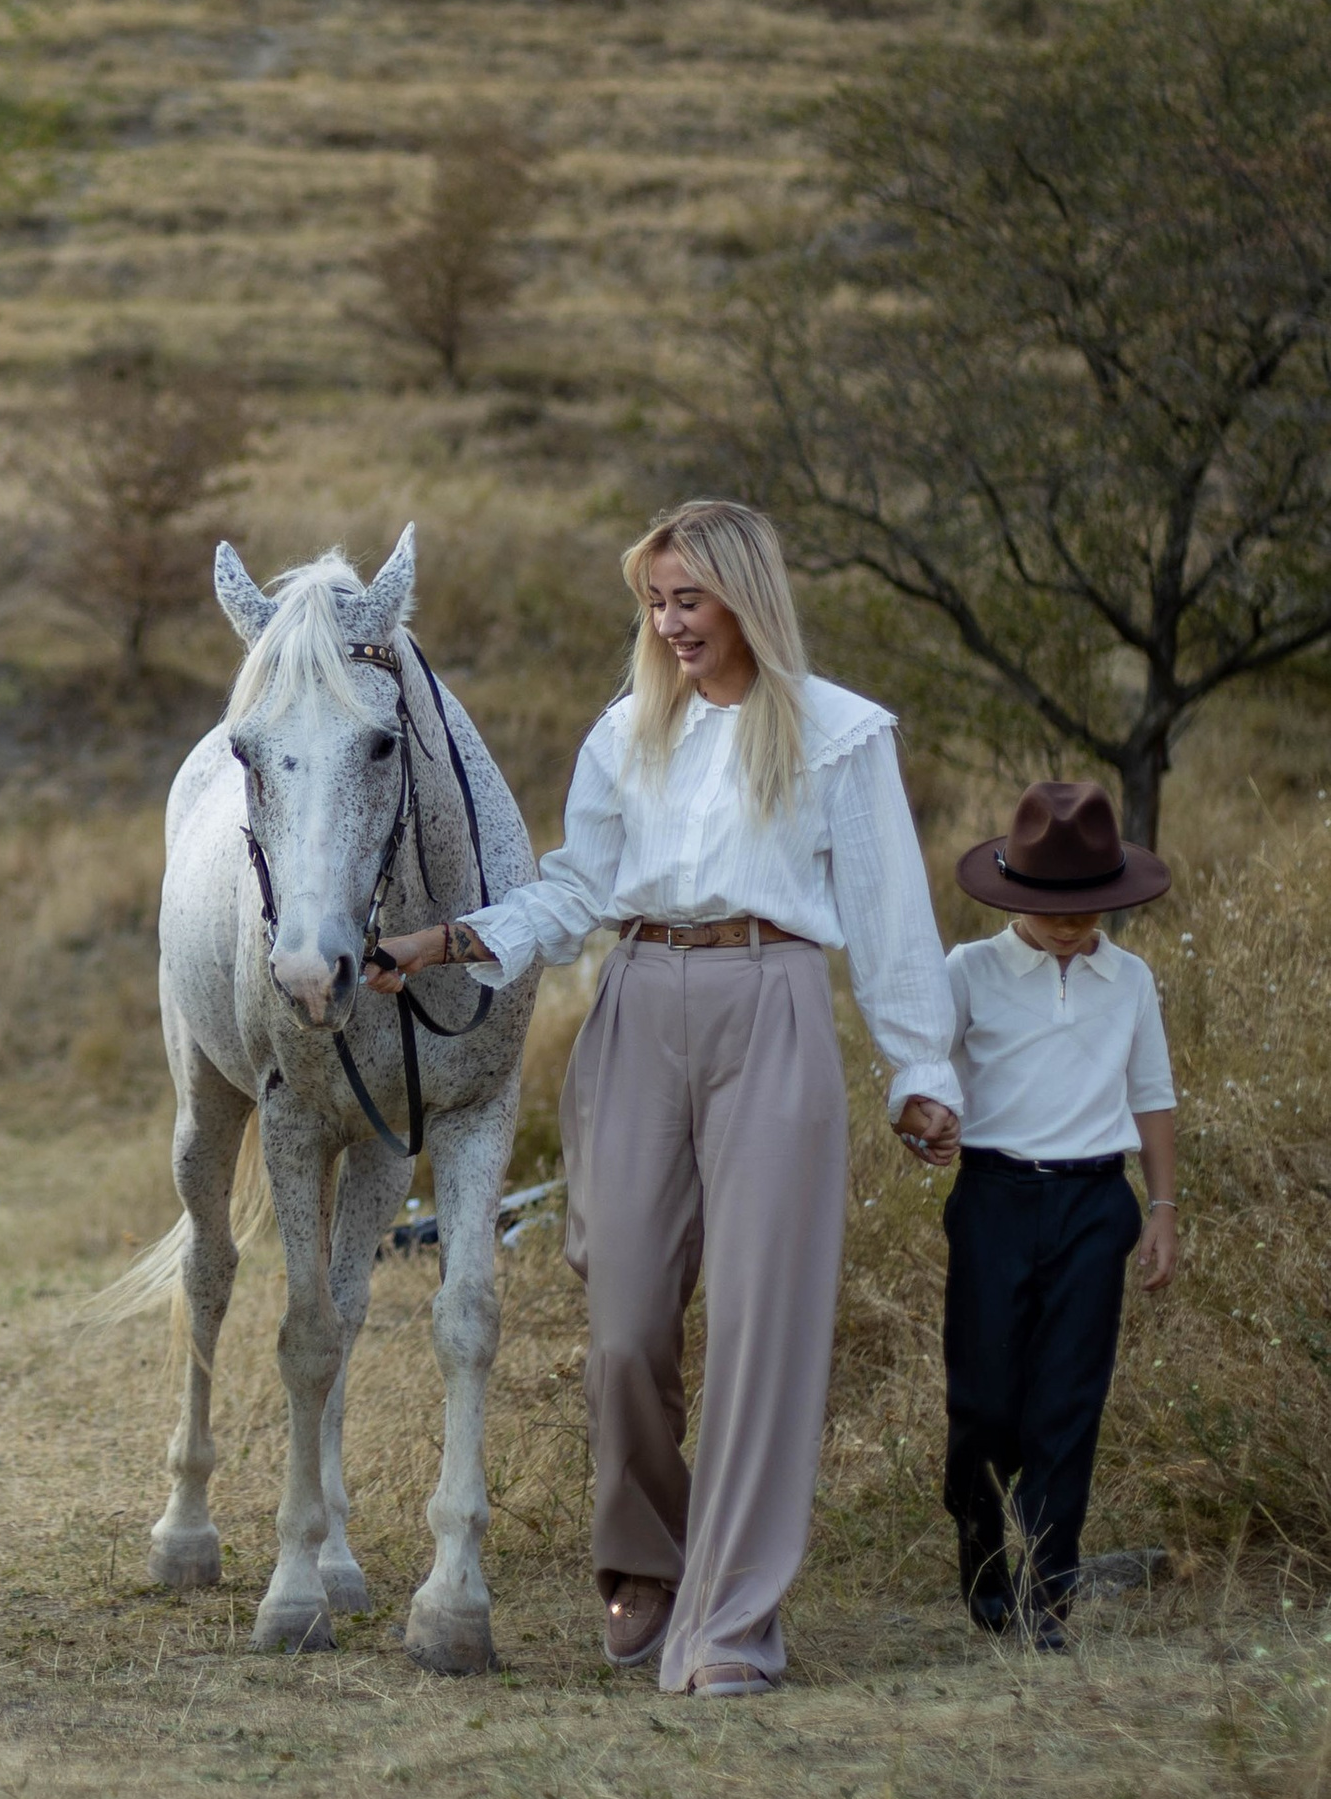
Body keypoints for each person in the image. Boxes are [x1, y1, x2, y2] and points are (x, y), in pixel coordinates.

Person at [370, 497, 960, 1697]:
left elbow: (894, 914)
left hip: (775, 1000)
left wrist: (921, 1068)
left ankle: (732, 1623)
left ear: (744, 594)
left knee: (763, 1325)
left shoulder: (839, 735)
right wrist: (442, 941)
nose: (669, 622)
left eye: (687, 598)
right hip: (637, 999)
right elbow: (573, 889)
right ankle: (645, 1555)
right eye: (655, 601)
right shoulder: (625, 733)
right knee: (627, 1319)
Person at [939, 778, 1178, 1647]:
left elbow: (1151, 1096)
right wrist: (923, 1112)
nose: (1071, 922)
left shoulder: (1131, 980)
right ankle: (976, 1532)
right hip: (994, 1198)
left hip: (1092, 1204)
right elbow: (924, 1060)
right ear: (1016, 893)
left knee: (1067, 1407)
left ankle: (1048, 1598)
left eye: (1088, 905)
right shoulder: (969, 971)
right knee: (986, 1407)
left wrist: (1162, 1208)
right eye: (1052, 906)